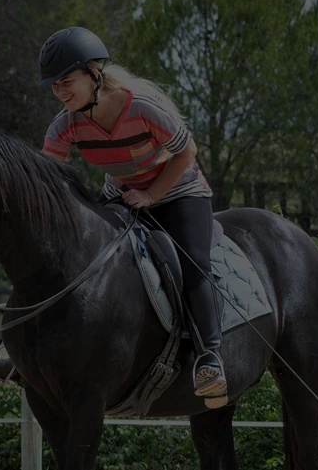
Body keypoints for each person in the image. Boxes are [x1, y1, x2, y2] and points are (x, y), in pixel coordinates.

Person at [38, 25, 226, 400]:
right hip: (123, 194)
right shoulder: (66, 125)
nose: (60, 92)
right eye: (55, 86)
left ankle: (210, 358)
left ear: (94, 74)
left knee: (193, 265)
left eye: (67, 82)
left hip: (178, 189)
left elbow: (186, 154)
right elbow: (43, 183)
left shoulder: (142, 106)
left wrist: (153, 194)